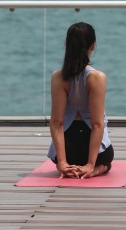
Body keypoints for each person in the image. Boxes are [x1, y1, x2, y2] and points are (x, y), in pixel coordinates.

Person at [48, 22, 114, 178]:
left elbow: (56, 123)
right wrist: (91, 164)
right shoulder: (97, 77)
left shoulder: (57, 77)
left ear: (67, 45)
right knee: (107, 160)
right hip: (93, 151)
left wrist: (62, 161)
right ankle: (98, 169)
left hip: (68, 149)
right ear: (93, 46)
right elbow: (97, 124)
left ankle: (64, 167)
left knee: (63, 158)